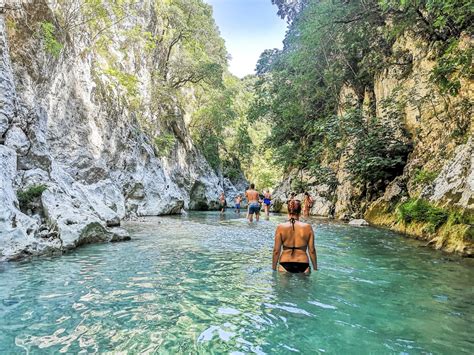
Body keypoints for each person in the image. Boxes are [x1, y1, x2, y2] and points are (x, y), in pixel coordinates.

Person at [272, 199, 318, 273]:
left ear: (288, 211)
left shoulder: (280, 227)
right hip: (303, 263)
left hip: (285, 263)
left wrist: (273, 268)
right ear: (300, 211)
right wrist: (315, 268)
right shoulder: (308, 227)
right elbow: (312, 250)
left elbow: (276, 251)